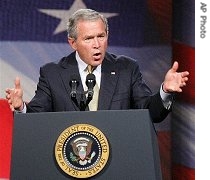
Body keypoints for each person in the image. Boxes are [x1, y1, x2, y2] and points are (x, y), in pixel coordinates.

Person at [5, 8, 189, 123]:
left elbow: (151, 114)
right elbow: (37, 118)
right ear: (72, 42)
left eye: (101, 36)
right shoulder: (52, 73)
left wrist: (165, 90)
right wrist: (21, 107)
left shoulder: (127, 68)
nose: (96, 44)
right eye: (88, 38)